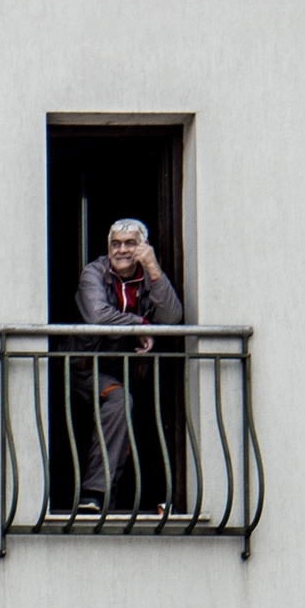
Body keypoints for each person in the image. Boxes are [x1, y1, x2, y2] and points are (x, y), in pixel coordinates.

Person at [72, 219, 183, 511]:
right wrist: (141, 324)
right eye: (116, 244)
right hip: (86, 368)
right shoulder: (94, 272)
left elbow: (172, 317)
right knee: (119, 400)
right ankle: (95, 494)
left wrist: (154, 269)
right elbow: (97, 316)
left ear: (143, 247)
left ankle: (158, 499)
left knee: (151, 410)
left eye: (130, 243)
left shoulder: (148, 276)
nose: (122, 250)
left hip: (131, 372)